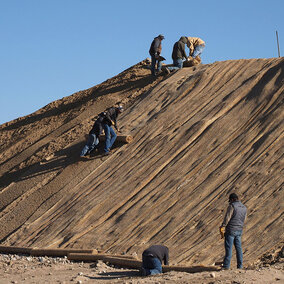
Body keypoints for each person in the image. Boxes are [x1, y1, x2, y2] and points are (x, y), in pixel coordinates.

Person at [220, 193, 247, 270]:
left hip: (231, 230)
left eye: (230, 201)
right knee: (239, 248)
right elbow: (244, 219)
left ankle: (226, 266)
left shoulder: (232, 206)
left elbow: (227, 217)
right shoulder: (244, 207)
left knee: (229, 248)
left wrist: (223, 225)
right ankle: (240, 266)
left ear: (232, 199)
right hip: (239, 230)